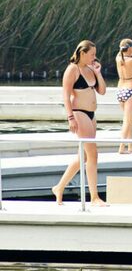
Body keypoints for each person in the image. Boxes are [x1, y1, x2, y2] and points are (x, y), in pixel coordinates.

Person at [53, 41, 107, 204]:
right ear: (82, 53)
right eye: (91, 54)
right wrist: (70, 118)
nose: (94, 57)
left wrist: (98, 73)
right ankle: (94, 197)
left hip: (91, 114)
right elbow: (66, 95)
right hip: (79, 113)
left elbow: (102, 91)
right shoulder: (72, 69)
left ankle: (59, 187)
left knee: (83, 156)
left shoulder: (91, 69)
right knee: (92, 154)